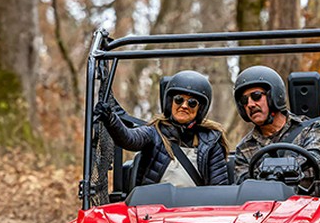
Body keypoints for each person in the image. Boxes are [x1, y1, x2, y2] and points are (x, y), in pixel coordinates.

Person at [93, 70, 229, 187]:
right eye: (179, 99)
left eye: (192, 103)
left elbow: (220, 189)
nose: (184, 106)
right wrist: (111, 119)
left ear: (200, 109)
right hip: (155, 212)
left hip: (195, 213)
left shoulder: (211, 141)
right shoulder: (155, 132)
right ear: (170, 102)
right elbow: (129, 138)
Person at [231, 65, 320, 186]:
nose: (250, 104)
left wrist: (270, 173)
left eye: (256, 96)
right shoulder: (245, 147)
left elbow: (316, 161)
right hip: (265, 203)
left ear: (274, 96)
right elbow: (244, 186)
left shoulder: (311, 129)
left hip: (308, 202)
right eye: (244, 100)